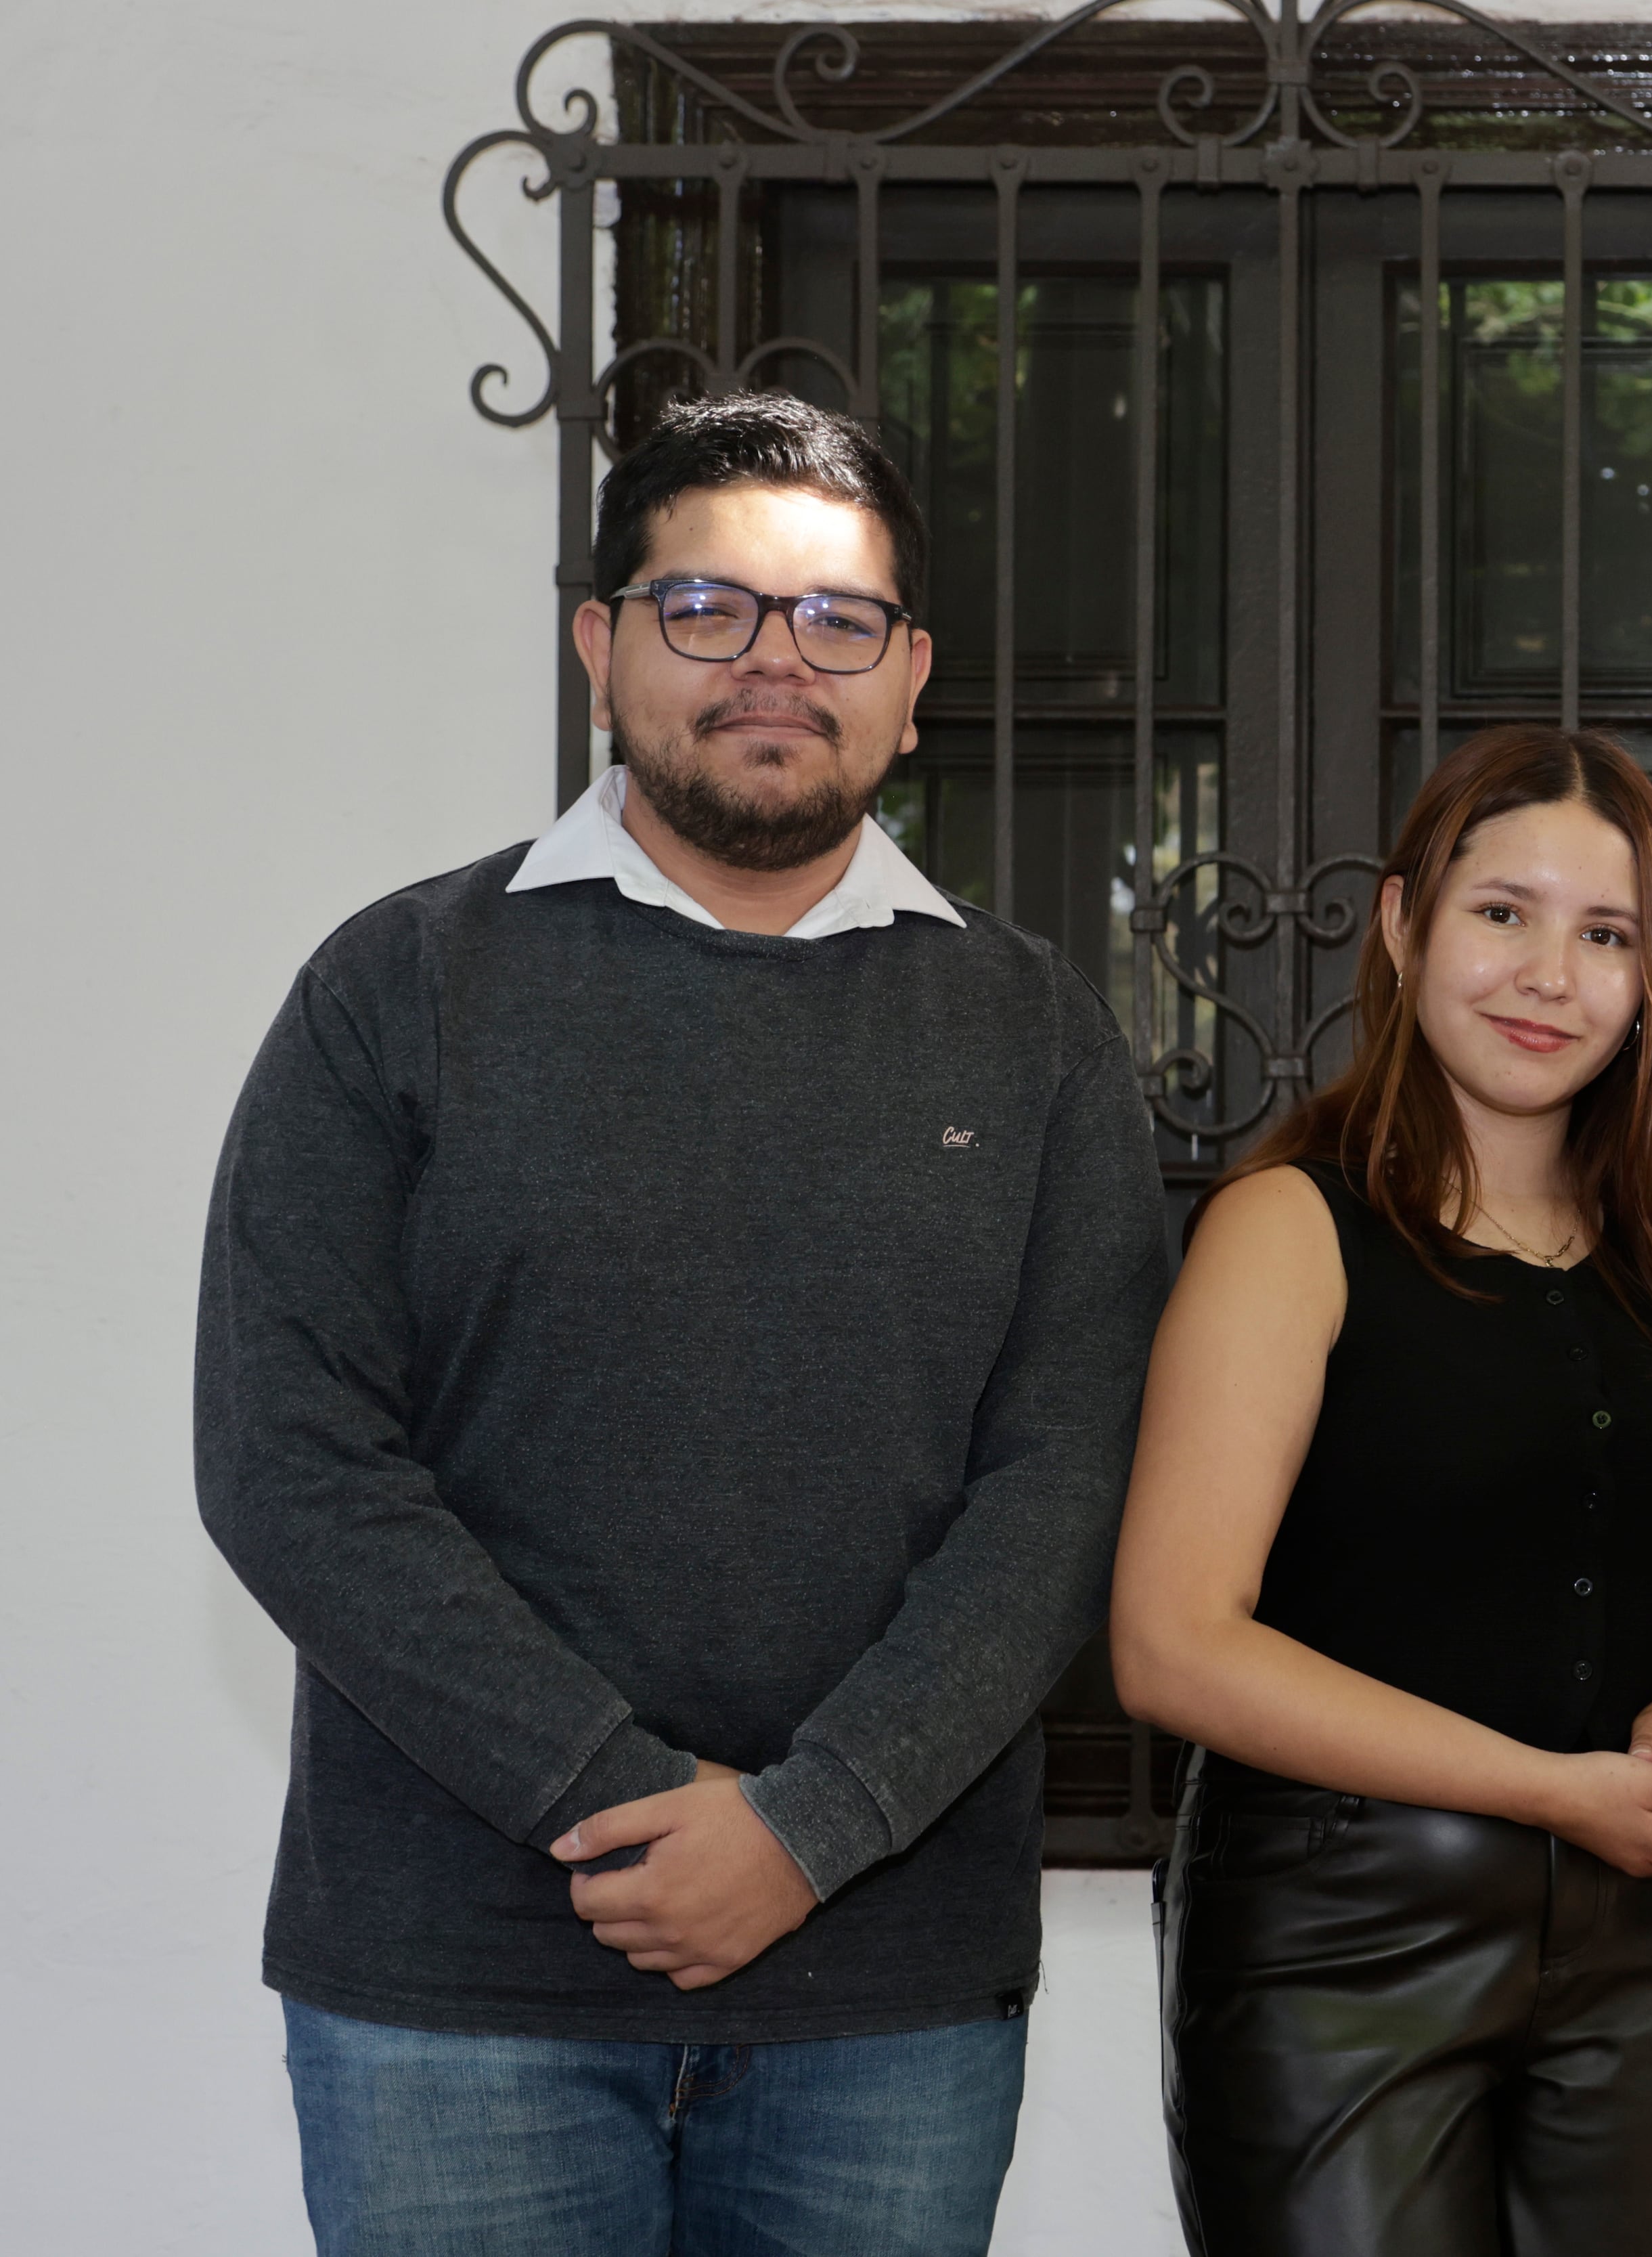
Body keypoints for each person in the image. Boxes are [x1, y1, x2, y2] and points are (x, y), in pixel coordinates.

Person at [196, 392, 1168, 2257]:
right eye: (705, 608)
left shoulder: (1033, 1031)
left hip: (888, 1989)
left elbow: (1070, 1477)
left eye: (835, 620)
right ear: (601, 646)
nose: (772, 663)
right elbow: (289, 1456)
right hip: (455, 1983)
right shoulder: (397, 988)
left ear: (911, 679)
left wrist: (811, 1823)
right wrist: (619, 1799)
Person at [1111, 725, 1652, 2257]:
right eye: (1504, 913)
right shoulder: (1287, 1227)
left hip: (1645, 1944)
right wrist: (1553, 1788)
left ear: (1650, 979)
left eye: (1605, 934)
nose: (1552, 972)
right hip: (1334, 1935)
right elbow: (1171, 1643)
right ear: (1405, 927)